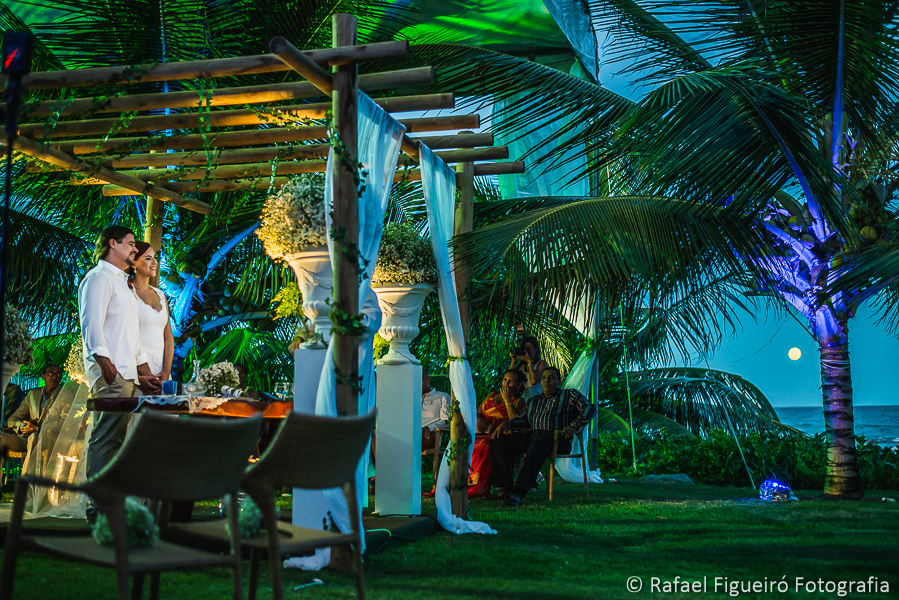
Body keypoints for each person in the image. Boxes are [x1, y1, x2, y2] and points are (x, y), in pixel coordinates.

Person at [79, 226, 160, 499]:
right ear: (112, 244)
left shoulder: (122, 282)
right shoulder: (100, 278)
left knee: (118, 440)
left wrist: (143, 373)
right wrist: (105, 364)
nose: (135, 249)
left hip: (127, 376)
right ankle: (98, 505)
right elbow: (91, 323)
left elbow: (131, 335)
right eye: (131, 243)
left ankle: (113, 501)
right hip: (111, 375)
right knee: (105, 439)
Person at [489, 366, 596, 507]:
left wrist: (574, 425)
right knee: (497, 441)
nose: (546, 381)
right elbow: (522, 420)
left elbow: (590, 408)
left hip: (558, 438)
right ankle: (506, 488)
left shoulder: (569, 395)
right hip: (533, 436)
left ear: (559, 380)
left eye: (551, 377)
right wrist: (507, 424)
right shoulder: (534, 401)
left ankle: (518, 493)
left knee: (538, 444)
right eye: (544, 378)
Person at [0, 364, 73, 465]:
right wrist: (23, 426)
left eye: (58, 374)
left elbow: (65, 423)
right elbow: (13, 419)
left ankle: (26, 479)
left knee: (34, 437)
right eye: (51, 373)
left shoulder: (66, 395)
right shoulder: (33, 394)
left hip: (50, 440)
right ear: (43, 376)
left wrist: (38, 428)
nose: (54, 376)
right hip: (26, 439)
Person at [468, 369, 525, 497]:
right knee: (469, 443)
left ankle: (481, 485)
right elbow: (477, 412)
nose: (506, 383)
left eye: (511, 381)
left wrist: (507, 401)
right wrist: (480, 419)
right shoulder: (492, 395)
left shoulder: (519, 401)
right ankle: (467, 481)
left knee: (486, 445)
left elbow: (514, 420)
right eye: (505, 380)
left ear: (518, 385)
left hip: (501, 434)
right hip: (483, 431)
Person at [128, 241, 173, 383]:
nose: (154, 262)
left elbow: (168, 336)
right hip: (135, 372)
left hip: (161, 372)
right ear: (133, 262)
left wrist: (166, 372)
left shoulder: (160, 295)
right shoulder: (127, 293)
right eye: (148, 258)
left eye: (155, 257)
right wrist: (142, 375)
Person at [421, 366, 449, 451]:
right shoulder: (411, 400)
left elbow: (447, 421)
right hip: (409, 435)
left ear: (428, 380)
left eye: (420, 379)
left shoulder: (442, 397)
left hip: (430, 436)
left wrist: (429, 427)